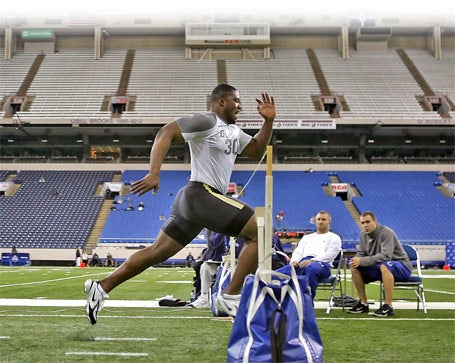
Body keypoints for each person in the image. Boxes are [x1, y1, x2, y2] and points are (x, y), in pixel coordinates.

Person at [84, 84, 275, 324]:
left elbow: (256, 150)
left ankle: (101, 287)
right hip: (200, 195)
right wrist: (154, 172)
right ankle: (230, 296)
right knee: (262, 228)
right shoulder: (207, 121)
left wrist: (267, 122)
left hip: (196, 202)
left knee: (155, 253)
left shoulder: (233, 132)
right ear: (221, 102)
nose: (240, 105)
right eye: (236, 100)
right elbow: (166, 132)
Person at [348, 211, 412, 317]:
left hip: (401, 266)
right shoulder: (363, 235)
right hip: (380, 267)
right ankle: (363, 303)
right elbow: (361, 253)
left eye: (367, 222)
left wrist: (362, 261)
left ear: (375, 222)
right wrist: (356, 259)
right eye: (362, 223)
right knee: (355, 267)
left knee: (384, 265)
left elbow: (386, 256)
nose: (365, 225)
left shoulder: (386, 232)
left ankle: (388, 306)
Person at [276, 211, 342, 300]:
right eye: (318, 219)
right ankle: (278, 302)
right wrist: (294, 261)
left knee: (312, 268)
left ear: (329, 222)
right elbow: (298, 252)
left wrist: (313, 260)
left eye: (323, 219)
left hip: (322, 264)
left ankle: (307, 302)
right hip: (303, 262)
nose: (321, 221)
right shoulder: (307, 237)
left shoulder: (334, 238)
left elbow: (330, 255)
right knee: (276, 274)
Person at [190, 230, 229, 308]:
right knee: (204, 267)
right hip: (221, 261)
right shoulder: (214, 230)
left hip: (238, 261)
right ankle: (205, 296)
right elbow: (213, 244)